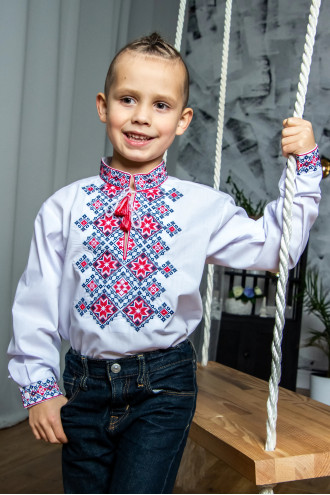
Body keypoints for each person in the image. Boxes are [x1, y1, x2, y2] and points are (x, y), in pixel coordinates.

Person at [8, 32, 321, 494]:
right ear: (103, 106)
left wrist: (305, 165)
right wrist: (40, 388)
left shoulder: (202, 208)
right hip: (83, 387)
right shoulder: (63, 207)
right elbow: (34, 304)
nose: (140, 117)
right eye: (128, 99)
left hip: (162, 390)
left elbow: (276, 247)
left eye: (161, 105)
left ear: (182, 119)